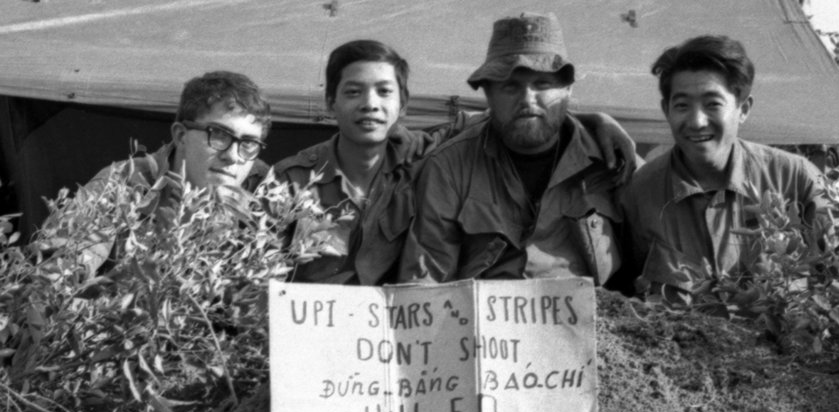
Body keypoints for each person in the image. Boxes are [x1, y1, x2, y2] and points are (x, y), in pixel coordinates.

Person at [274, 38, 636, 285]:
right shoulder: (291, 179)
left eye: (385, 91)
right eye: (353, 92)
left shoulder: (422, 153)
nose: (370, 104)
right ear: (329, 101)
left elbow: (517, 114)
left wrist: (592, 120)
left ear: (404, 103)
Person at [398, 12, 622, 285]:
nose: (528, 99)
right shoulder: (449, 168)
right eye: (510, 87)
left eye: (543, 84)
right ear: (488, 95)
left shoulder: (613, 159)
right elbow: (426, 281)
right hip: (482, 322)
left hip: (592, 320)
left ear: (567, 91)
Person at [613, 35, 826, 303]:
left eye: (713, 104)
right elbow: (627, 293)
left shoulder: (797, 179)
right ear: (666, 110)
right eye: (682, 105)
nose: (697, 121)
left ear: (743, 109)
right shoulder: (639, 192)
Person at [41, 70, 272, 276]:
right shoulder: (122, 186)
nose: (233, 156)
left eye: (249, 143)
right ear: (181, 135)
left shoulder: (263, 202)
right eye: (219, 134)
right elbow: (56, 278)